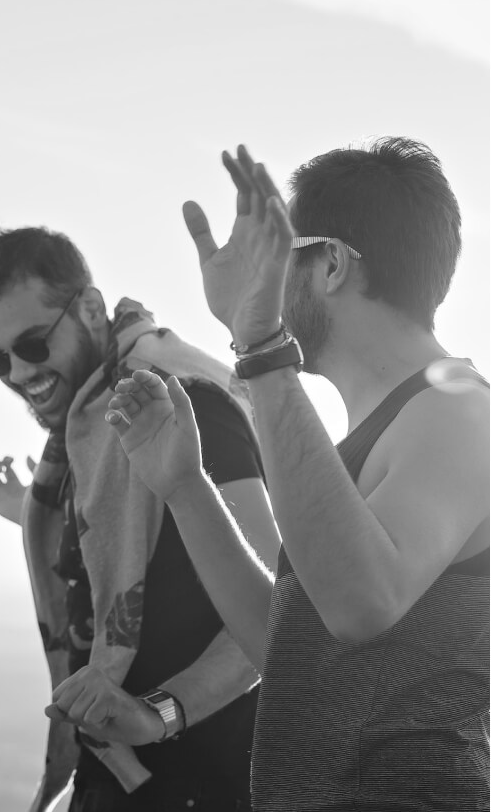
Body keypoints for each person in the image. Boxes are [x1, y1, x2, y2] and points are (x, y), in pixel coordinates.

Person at [100, 139, 489, 811]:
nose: (266, 283)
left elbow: (362, 602)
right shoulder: (382, 431)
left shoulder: (460, 411)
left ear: (331, 263)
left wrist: (259, 347)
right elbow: (292, 653)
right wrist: (186, 487)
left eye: (279, 258)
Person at [0, 226, 279, 812]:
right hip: (115, 781)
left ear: (89, 308)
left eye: (32, 344)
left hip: (202, 783)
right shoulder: (87, 427)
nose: (19, 373)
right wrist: (28, 514)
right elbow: (132, 551)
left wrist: (159, 713)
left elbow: (276, 608)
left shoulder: (181, 404)